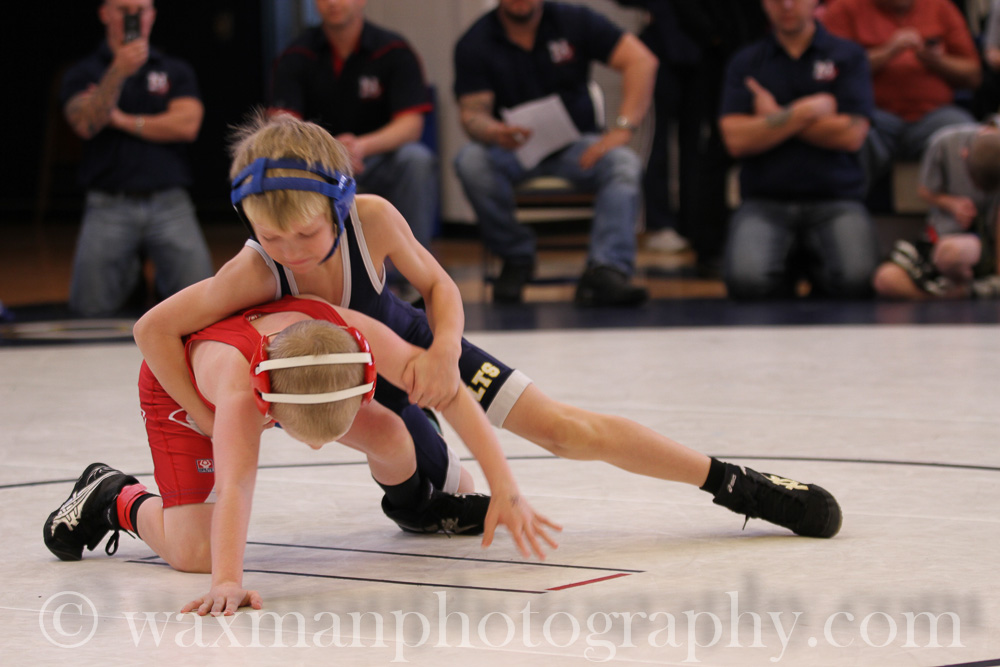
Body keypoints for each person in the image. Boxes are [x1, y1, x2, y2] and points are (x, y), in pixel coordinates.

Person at [133, 113, 844, 546]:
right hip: (344, 383)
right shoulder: (252, 270)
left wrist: (444, 349)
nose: (288, 252)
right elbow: (154, 332)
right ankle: (423, 504)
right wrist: (210, 415)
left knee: (564, 429)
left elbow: (441, 286)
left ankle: (736, 483)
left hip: (408, 351)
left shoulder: (371, 218)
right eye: (270, 236)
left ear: (340, 205)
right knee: (417, 475)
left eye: (305, 235)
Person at [44, 293, 560, 616]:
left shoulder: (351, 338)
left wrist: (506, 486)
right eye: (302, 434)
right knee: (195, 554)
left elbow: (447, 390)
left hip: (293, 379)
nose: (315, 448)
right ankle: (113, 497)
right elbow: (236, 485)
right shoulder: (241, 396)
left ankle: (418, 507)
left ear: (362, 381)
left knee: (390, 434)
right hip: (183, 392)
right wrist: (228, 580)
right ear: (269, 405)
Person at [452, 0, 656, 305]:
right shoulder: (476, 41)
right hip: (513, 147)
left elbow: (641, 60)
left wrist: (623, 129)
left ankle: (606, 269)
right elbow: (472, 113)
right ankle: (516, 256)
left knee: (623, 163)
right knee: (470, 162)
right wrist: (495, 131)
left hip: (576, 146)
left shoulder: (574, 20)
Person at [59, 0, 213, 317]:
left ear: (153, 15)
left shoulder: (174, 70)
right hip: (108, 203)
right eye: (123, 9)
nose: (134, 17)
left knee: (205, 302)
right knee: (88, 308)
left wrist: (121, 120)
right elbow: (85, 123)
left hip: (170, 203)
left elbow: (187, 125)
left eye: (141, 9)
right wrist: (118, 71)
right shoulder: (84, 72)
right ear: (104, 13)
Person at [719, 0, 879, 299]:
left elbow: (851, 135)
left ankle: (812, 264)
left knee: (857, 281)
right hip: (765, 200)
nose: (787, 5)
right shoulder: (747, 61)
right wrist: (805, 112)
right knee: (746, 283)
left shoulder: (847, 56)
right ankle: (788, 265)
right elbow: (736, 139)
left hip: (835, 198)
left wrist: (773, 118)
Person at [268, 0, 438, 254]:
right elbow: (281, 125)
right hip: (317, 163)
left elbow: (411, 125)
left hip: (376, 159)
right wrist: (330, 152)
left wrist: (360, 146)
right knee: (275, 163)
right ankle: (298, 264)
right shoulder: (295, 54)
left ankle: (415, 265)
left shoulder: (394, 50)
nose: (332, 2)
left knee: (416, 159)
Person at [822, 0, 982, 192]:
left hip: (933, 116)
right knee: (852, 131)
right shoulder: (844, 8)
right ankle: (848, 203)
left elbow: (973, 75)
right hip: (874, 115)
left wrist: (937, 61)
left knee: (962, 132)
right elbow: (830, 71)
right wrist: (888, 51)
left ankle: (966, 208)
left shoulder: (941, 7)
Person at [872, 120, 1000, 298]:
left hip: (980, 246)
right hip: (939, 239)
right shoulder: (944, 142)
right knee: (885, 278)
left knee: (951, 253)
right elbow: (925, 190)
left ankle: (964, 290)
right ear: (964, 154)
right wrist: (951, 203)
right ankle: (948, 295)